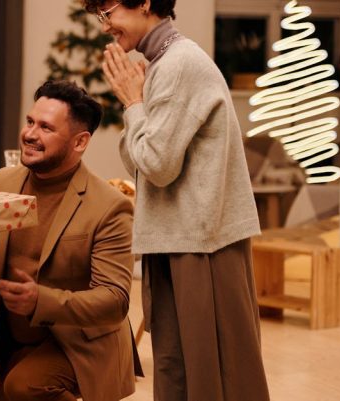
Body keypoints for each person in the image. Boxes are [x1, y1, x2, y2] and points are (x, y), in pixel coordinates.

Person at [85, 0, 271, 400]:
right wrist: (137, 106)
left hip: (203, 245)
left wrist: (133, 104)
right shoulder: (165, 61)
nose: (105, 27)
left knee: (213, 374)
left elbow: (155, 164)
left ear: (144, 3)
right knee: (179, 368)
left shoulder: (178, 64)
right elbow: (146, 156)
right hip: (183, 239)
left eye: (107, 12)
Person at [0, 80, 138, 401]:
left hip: (80, 344)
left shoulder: (110, 206)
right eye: (30, 122)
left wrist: (41, 301)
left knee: (24, 389)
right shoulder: (4, 182)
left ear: (80, 142)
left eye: (46, 127)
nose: (30, 134)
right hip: (17, 340)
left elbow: (115, 300)